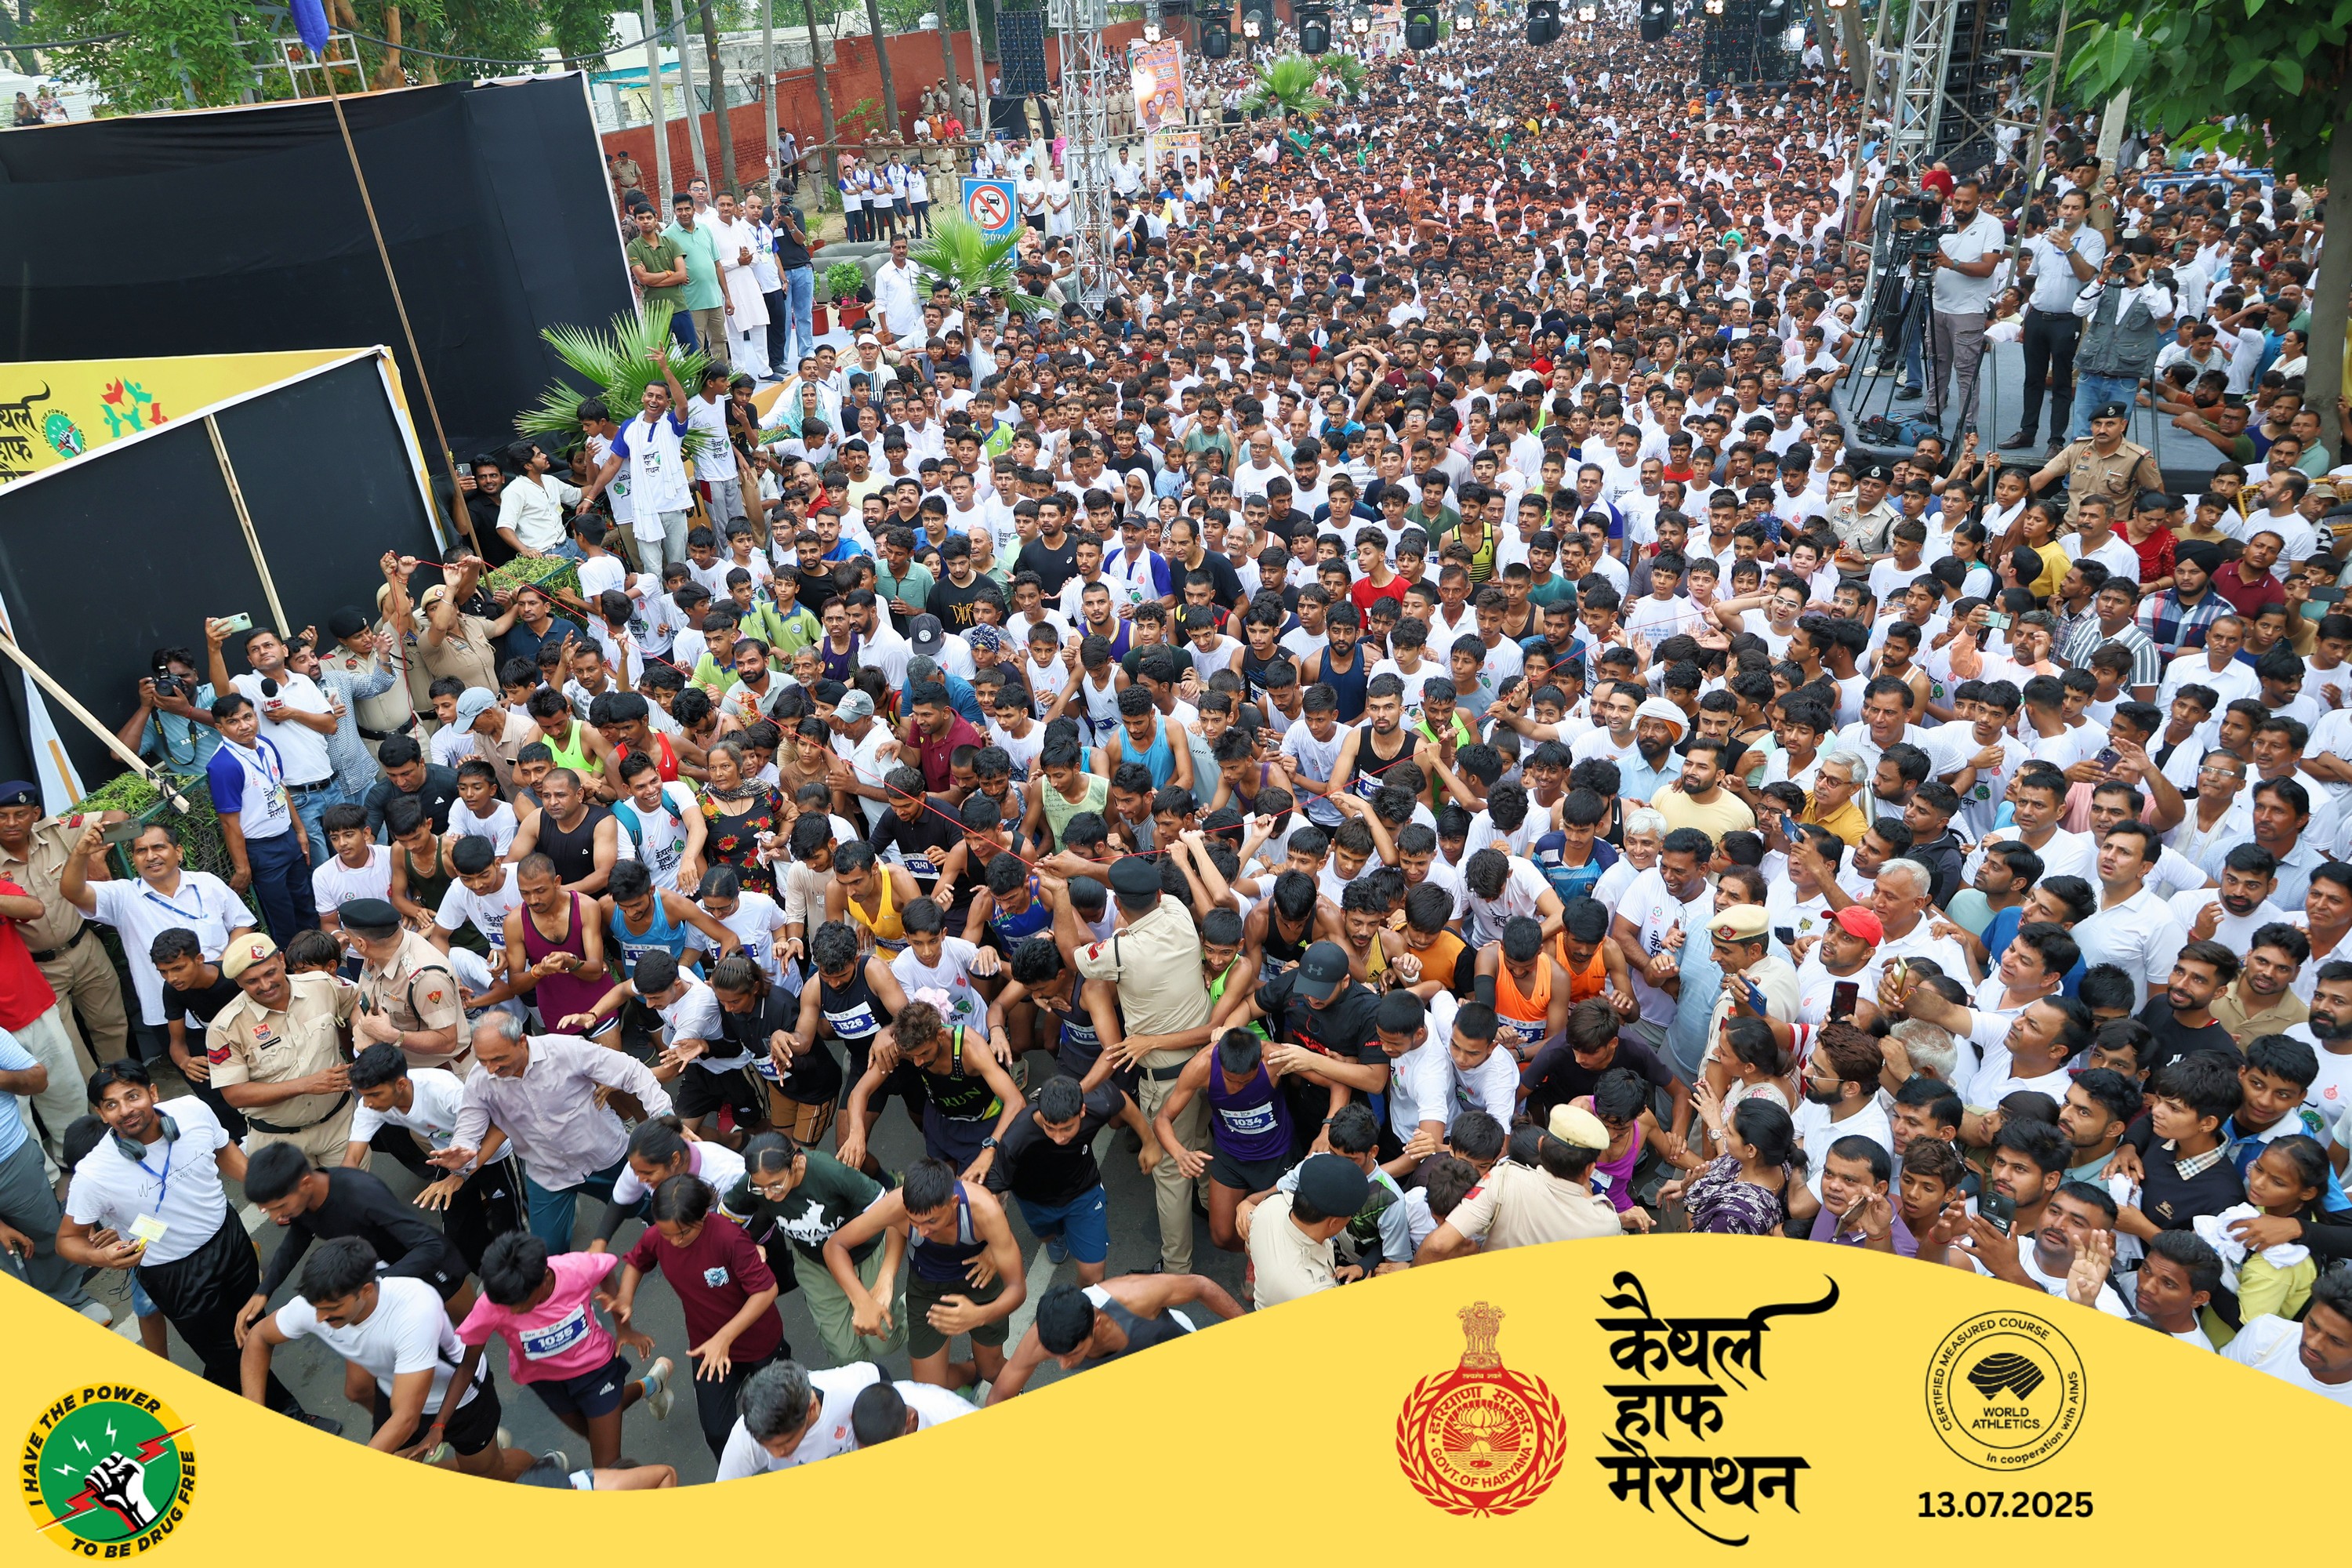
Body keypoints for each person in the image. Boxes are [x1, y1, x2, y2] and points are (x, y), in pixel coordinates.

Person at [57, 1061, 332, 1426]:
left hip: (230, 1239)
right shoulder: (94, 1174)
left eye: (132, 1096)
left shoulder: (192, 1110)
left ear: (153, 1093)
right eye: (111, 1105)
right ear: (101, 1114)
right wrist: (102, 1256)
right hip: (175, 1274)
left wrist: (267, 1195)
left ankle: (216, 1391)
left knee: (250, 1328)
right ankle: (291, 1419)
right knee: (231, 1351)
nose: (125, 1110)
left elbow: (224, 1152)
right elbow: (67, 1240)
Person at [238, 1236, 534, 1476]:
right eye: (316, 1308)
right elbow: (259, 1339)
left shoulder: (414, 1310)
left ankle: (543, 1467)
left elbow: (406, 1417)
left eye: (331, 1309)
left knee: (490, 1472)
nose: (319, 1318)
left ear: (366, 1290)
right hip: (395, 1393)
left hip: (461, 1400)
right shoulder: (318, 1303)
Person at [434, 1013, 675, 1252]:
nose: (491, 1069)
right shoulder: (480, 1079)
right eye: (483, 1060)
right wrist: (463, 1149)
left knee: (653, 1209)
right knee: (548, 1253)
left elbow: (632, 1072)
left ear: (522, 1041)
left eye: (499, 1058)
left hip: (603, 1157)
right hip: (548, 1173)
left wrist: (665, 1117)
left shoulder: (566, 1050)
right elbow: (469, 1124)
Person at [989, 1273, 1245, 1403]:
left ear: (1097, 1324)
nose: (1064, 1365)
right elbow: (998, 1397)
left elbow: (1201, 1286)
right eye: (1056, 1355)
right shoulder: (1044, 1339)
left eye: (1073, 1354)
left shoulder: (1135, 1297)